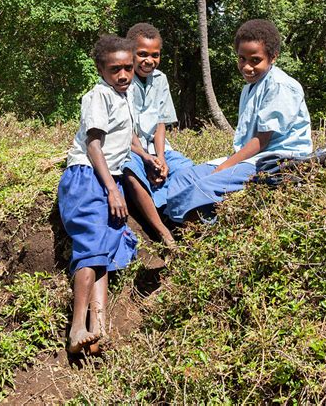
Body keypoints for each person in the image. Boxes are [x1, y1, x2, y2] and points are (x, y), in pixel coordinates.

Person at [165, 19, 312, 223]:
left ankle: (203, 235)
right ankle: (173, 228)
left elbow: (263, 140)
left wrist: (224, 167)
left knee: (205, 186)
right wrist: (227, 163)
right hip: (250, 159)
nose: (247, 66)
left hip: (276, 159)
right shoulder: (249, 88)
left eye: (255, 60)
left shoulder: (280, 85)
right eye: (242, 59)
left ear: (273, 57)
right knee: (183, 178)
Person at [58, 34, 138, 354]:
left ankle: (99, 328)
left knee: (104, 250)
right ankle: (77, 327)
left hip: (109, 179)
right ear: (100, 69)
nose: (123, 74)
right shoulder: (98, 96)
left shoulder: (124, 96)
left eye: (128, 68)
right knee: (91, 248)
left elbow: (126, 142)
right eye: (115, 68)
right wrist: (111, 192)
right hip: (88, 178)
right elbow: (93, 146)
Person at [122, 23, 193, 246]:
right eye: (142, 54)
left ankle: (179, 218)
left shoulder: (160, 79)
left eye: (155, 55)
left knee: (187, 169)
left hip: (156, 147)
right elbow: (124, 128)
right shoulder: (121, 79)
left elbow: (161, 123)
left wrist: (160, 157)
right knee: (131, 174)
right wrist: (145, 157)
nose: (149, 60)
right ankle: (162, 231)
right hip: (130, 148)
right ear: (130, 53)